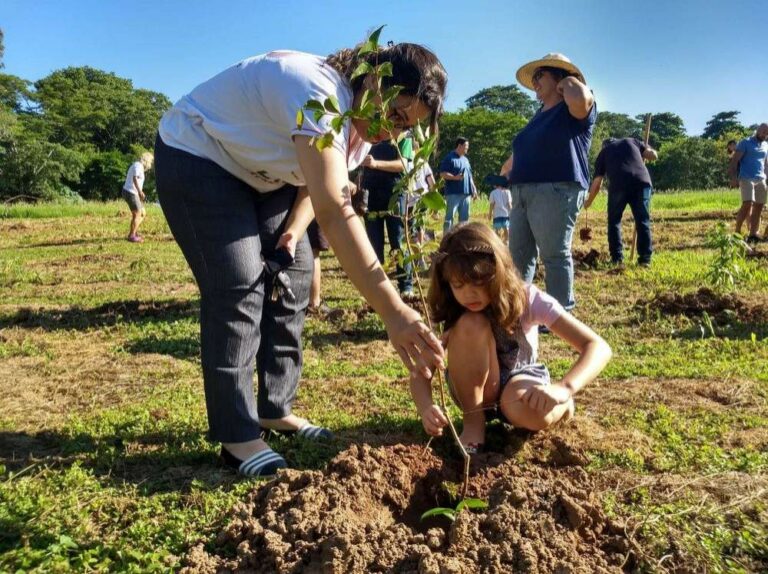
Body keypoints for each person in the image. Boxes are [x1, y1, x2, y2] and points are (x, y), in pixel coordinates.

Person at [155, 42, 447, 477]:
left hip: (266, 176)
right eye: (397, 116)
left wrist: (291, 232)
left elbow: (314, 189)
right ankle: (237, 434)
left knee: (294, 271)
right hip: (200, 155)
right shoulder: (318, 92)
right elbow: (333, 208)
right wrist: (393, 309)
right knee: (239, 284)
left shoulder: (359, 129)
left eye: (406, 128)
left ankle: (275, 409)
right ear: (375, 81)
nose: (395, 133)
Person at [409, 223, 611, 452]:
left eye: (479, 282)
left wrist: (564, 388)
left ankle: (562, 408)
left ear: (498, 272)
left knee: (530, 411)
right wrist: (426, 407)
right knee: (470, 324)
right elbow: (420, 372)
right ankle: (474, 423)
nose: (469, 294)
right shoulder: (451, 307)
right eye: (459, 285)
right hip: (470, 392)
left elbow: (597, 346)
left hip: (520, 384)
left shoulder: (527, 299)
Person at [500, 53, 596, 311]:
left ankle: (560, 314)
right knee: (518, 258)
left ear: (560, 78)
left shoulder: (571, 110)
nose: (534, 83)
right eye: (533, 78)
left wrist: (568, 82)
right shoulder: (538, 115)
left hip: (555, 190)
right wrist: (507, 173)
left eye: (539, 75)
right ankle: (518, 312)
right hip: (522, 192)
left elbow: (582, 98)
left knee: (553, 254)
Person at [584, 137, 658, 266]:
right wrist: (647, 147)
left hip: (619, 185)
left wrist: (588, 201)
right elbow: (653, 156)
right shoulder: (632, 141)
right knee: (642, 221)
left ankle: (617, 258)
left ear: (604, 145)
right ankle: (645, 259)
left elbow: (597, 183)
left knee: (614, 222)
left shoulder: (604, 152)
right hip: (642, 183)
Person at [361, 138, 415, 296]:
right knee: (373, 242)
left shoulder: (403, 137)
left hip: (395, 195)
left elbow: (403, 164)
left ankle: (406, 286)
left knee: (398, 241)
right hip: (371, 193)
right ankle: (378, 286)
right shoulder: (369, 135)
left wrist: (375, 163)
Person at [729, 124, 768, 243]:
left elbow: (766, 164)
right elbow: (735, 161)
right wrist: (733, 178)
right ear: (757, 130)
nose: (764, 135)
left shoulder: (766, 145)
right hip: (746, 178)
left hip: (761, 178)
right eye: (763, 132)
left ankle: (753, 234)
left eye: (766, 133)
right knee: (747, 203)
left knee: (759, 206)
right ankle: (737, 232)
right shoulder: (745, 142)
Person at [440, 137, 477, 233]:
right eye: (466, 146)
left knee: (465, 220)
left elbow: (469, 176)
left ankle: (462, 240)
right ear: (459, 146)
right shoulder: (449, 158)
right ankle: (446, 240)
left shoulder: (466, 160)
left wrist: (474, 189)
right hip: (453, 193)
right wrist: (455, 177)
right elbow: (442, 173)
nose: (467, 148)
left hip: (466, 194)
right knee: (449, 218)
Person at [121, 152, 153, 242]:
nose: (150, 164)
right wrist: (140, 192)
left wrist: (139, 194)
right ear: (147, 160)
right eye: (150, 161)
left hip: (133, 193)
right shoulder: (138, 165)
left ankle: (134, 232)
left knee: (143, 213)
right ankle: (132, 236)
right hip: (130, 192)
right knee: (137, 213)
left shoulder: (140, 167)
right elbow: (134, 178)